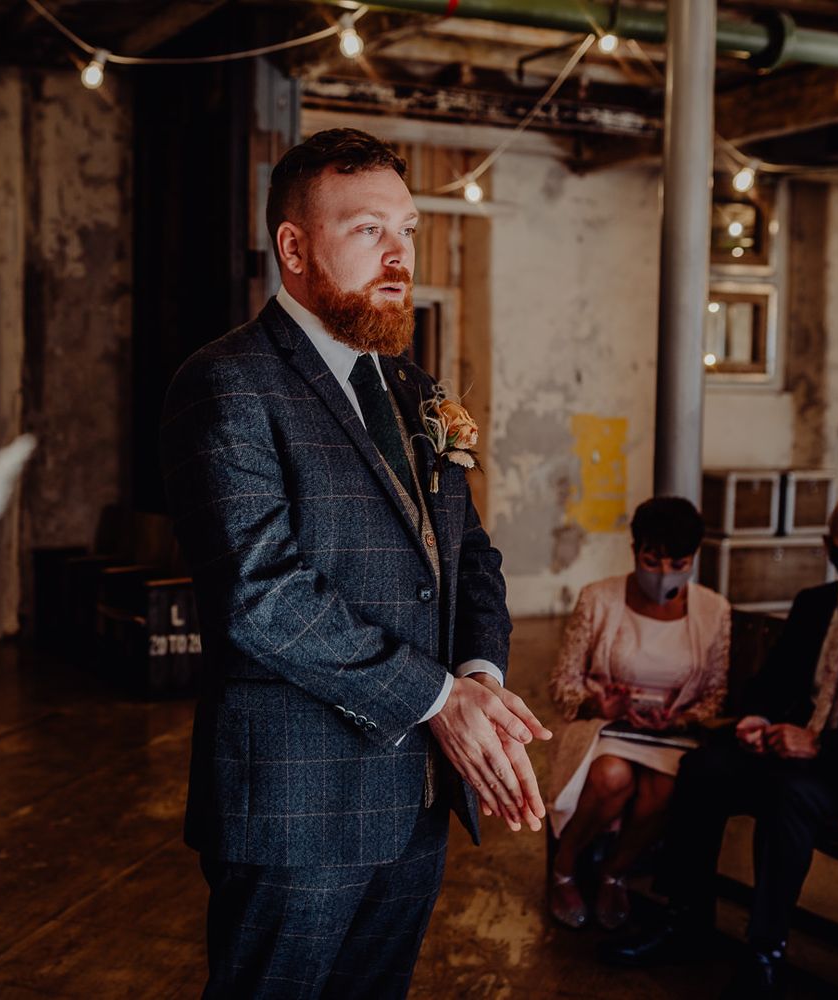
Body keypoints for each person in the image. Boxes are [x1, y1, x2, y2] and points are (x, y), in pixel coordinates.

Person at [160, 128, 551, 1000]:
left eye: (407, 231)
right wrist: (442, 699)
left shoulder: (415, 389)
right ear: (294, 247)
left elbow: (468, 555)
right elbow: (260, 597)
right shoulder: (227, 383)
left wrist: (480, 673)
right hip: (297, 809)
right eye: (369, 230)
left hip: (414, 800)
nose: (399, 255)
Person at [603, 492, 838, 998]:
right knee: (703, 768)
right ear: (830, 545)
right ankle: (685, 920)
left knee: (787, 798)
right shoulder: (814, 603)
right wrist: (756, 718)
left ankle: (765, 951)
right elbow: (774, 681)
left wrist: (819, 744)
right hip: (788, 753)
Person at [547, 496, 730, 931]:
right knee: (613, 776)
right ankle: (564, 867)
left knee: (666, 786)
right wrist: (596, 703)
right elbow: (561, 683)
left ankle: (614, 872)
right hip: (604, 727)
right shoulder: (598, 599)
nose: (664, 573)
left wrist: (680, 719)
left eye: (678, 562)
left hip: (671, 734)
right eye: (653, 560)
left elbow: (715, 693)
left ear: (693, 558)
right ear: (635, 551)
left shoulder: (713, 610)